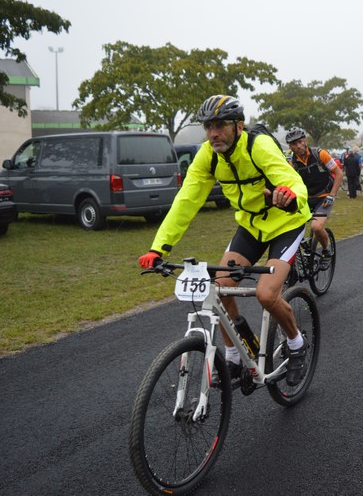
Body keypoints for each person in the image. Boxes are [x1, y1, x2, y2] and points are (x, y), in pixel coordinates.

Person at [138, 95, 312, 386]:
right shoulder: (208, 155)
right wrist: (159, 246)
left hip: (287, 222)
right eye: (208, 126)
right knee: (218, 289)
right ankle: (233, 353)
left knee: (267, 294)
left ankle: (296, 344)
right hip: (251, 227)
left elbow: (290, 179)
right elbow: (187, 200)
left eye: (220, 125)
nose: (213, 133)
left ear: (239, 125)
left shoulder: (258, 146)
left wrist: (291, 196)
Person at [286, 127, 343, 267]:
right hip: (305, 198)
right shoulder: (291, 162)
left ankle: (326, 251)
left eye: (300, 141)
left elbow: (339, 173)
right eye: (294, 144)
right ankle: (301, 254)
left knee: (317, 227)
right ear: (290, 146)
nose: (298, 146)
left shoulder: (320, 154)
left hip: (324, 196)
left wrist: (332, 195)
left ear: (305, 140)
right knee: (288, 227)